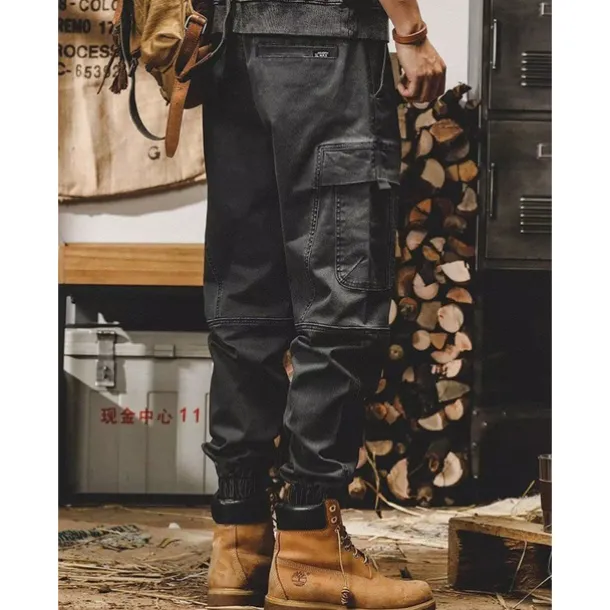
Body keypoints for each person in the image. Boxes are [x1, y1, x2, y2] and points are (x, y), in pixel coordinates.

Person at [200, 0, 446, 608]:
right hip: (325, 49)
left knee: (246, 303)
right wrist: (411, 30)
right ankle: (309, 548)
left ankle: (239, 543)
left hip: (227, 50)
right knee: (340, 301)